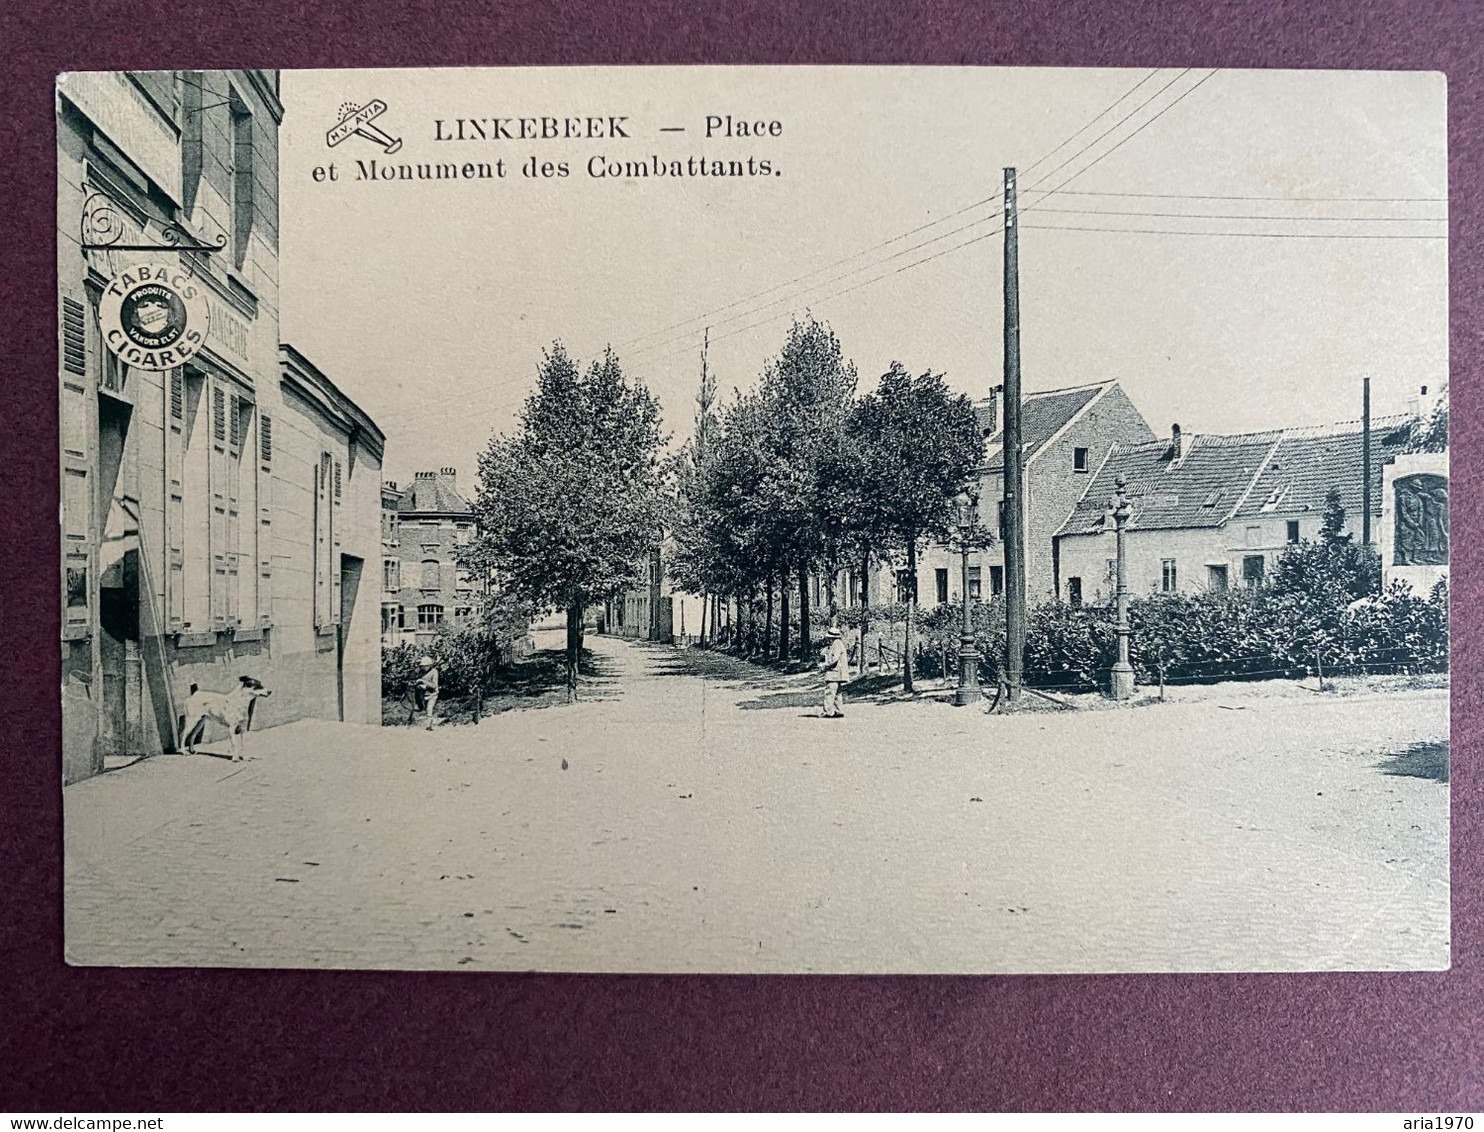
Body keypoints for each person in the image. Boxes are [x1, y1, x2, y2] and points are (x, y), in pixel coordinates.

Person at [819, 627, 850, 718]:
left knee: (829, 692)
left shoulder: (836, 644)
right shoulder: (838, 644)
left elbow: (833, 659)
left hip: (834, 672)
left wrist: (824, 666)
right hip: (838, 672)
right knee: (837, 692)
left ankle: (828, 712)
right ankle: (838, 710)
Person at [413, 655, 440, 730]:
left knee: (429, 709)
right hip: (423, 694)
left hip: (432, 694)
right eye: (422, 666)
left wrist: (423, 682)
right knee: (424, 709)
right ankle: (429, 723)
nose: (423, 667)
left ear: (429, 665)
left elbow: (434, 685)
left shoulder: (434, 672)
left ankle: (429, 727)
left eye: (425, 666)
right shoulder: (421, 672)